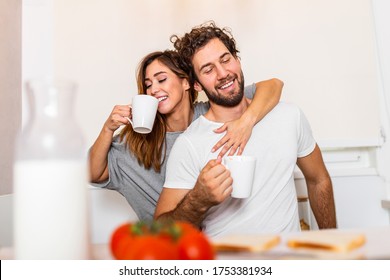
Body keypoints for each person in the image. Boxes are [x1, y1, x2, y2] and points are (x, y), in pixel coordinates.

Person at [154, 22, 337, 238]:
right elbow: (160, 231)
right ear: (196, 85)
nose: (223, 73)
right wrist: (198, 200)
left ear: (237, 60)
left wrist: (334, 244)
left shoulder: (288, 116)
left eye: (225, 59)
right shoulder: (190, 143)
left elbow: (318, 179)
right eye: (208, 69)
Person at [88, 50, 283, 221]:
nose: (153, 89)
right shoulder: (136, 141)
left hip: (212, 243)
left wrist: (246, 122)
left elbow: (273, 85)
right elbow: (92, 173)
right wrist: (107, 129)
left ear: (186, 83)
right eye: (148, 85)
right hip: (163, 247)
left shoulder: (213, 113)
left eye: (161, 79)